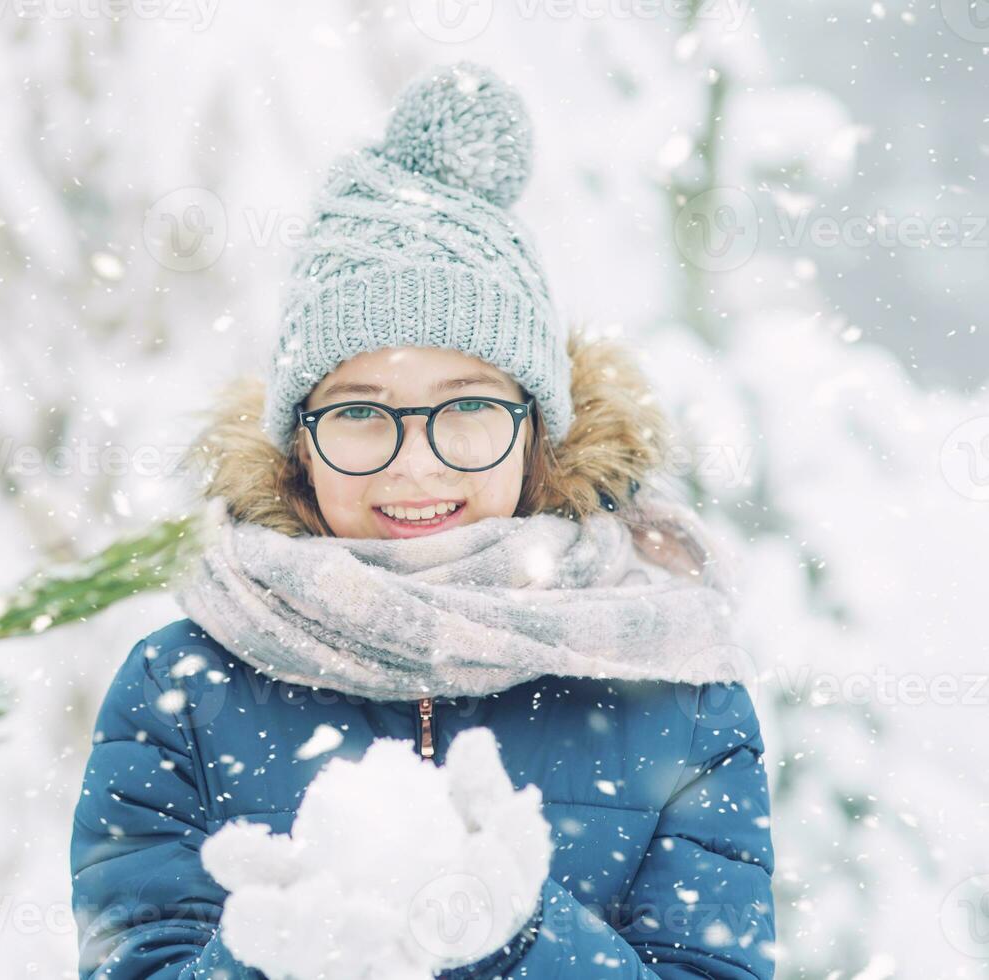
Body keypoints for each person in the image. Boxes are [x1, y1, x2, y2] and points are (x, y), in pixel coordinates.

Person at [70, 60, 775, 979]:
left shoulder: (673, 686)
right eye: (360, 412)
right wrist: (293, 950)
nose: (416, 464)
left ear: (539, 430)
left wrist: (511, 929)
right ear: (298, 443)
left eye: (468, 408)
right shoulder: (186, 682)